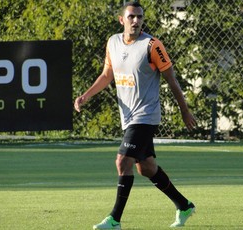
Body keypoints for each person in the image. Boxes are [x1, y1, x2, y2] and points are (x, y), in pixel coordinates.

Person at [74, 2, 197, 229]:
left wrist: (184, 110)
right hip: (128, 117)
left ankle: (114, 220)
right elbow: (107, 74)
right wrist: (86, 96)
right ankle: (184, 205)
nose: (136, 21)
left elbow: (172, 80)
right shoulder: (113, 42)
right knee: (146, 168)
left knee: (123, 162)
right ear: (122, 20)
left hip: (145, 116)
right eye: (131, 17)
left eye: (139, 17)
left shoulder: (152, 45)